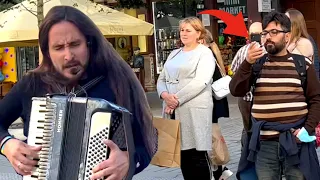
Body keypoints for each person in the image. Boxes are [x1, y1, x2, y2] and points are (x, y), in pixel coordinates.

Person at [0, 6, 158, 180]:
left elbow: (149, 140)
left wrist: (129, 160)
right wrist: (7, 144)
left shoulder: (118, 80)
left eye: (75, 44)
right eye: (58, 48)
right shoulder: (32, 84)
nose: (68, 56)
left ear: (89, 42)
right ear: (48, 52)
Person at [230, 11, 320, 180]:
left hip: (295, 143)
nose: (268, 37)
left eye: (274, 32)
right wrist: (247, 63)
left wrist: (306, 129)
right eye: (265, 33)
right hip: (264, 144)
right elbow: (236, 90)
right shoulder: (257, 64)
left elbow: (316, 99)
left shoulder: (302, 64)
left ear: (287, 36)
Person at [156, 17, 215, 180]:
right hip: (173, 110)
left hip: (193, 109)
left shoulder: (204, 53)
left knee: (197, 154)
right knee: (181, 154)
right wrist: (165, 95)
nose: (184, 33)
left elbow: (200, 81)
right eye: (182, 30)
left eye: (188, 30)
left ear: (198, 33)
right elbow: (161, 79)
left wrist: (176, 99)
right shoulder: (174, 54)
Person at [200, 29, 233, 180]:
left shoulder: (205, 55)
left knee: (209, 138)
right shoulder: (212, 54)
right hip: (215, 102)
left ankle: (218, 169)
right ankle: (219, 169)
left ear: (201, 41)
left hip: (209, 102)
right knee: (211, 137)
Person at [230, 22, 263, 145]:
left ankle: (246, 155)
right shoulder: (267, 50)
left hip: (244, 98)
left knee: (248, 128)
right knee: (258, 129)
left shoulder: (242, 50)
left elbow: (233, 70)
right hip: (257, 97)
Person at [285, 8, 320, 78]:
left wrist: (287, 52)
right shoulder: (286, 38)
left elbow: (299, 67)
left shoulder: (304, 42)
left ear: (294, 23)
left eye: (286, 20)